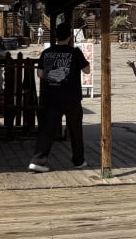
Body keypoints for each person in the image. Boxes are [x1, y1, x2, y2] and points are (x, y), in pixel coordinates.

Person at [29, 22, 91, 172]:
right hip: (71, 98)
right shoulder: (75, 52)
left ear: (56, 36)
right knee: (75, 131)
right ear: (69, 37)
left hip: (51, 97)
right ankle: (78, 161)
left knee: (46, 129)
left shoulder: (47, 52)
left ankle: (37, 161)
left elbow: (40, 73)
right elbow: (87, 70)